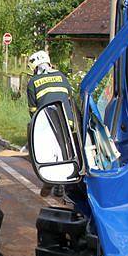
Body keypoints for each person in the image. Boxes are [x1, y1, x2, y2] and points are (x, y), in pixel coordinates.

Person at [26, 50, 75, 198]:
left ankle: (52, 180)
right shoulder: (62, 76)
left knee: (48, 153)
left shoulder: (33, 82)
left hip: (48, 124)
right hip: (69, 122)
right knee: (67, 150)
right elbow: (69, 98)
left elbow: (33, 111)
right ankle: (65, 182)